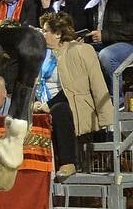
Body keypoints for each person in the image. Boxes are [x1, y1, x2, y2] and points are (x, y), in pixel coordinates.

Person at [36, 12, 112, 181]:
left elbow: (75, 88)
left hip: (74, 104)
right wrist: (35, 102)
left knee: (59, 110)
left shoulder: (79, 50)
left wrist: (107, 118)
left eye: (46, 31)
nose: (42, 34)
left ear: (58, 33)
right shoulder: (44, 54)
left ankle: (68, 163)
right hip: (45, 103)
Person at [82, 0, 133, 100]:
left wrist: (105, 35)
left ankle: (117, 100)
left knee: (106, 55)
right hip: (100, 43)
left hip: (126, 44)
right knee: (75, 52)